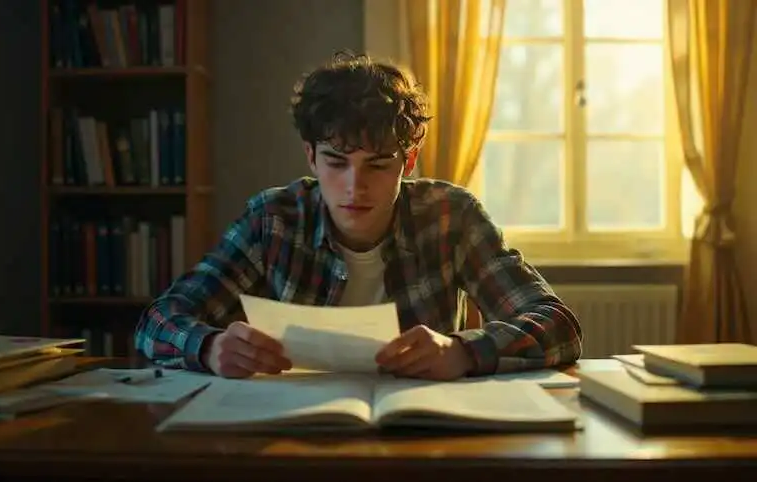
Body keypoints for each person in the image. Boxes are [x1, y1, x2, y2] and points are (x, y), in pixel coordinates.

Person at [133, 52, 582, 381]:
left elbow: (558, 324)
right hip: (292, 432)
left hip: (421, 433)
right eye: (336, 162)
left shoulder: (451, 215)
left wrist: (463, 350)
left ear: (408, 163)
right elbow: (159, 320)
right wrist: (210, 346)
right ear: (310, 156)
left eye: (378, 164)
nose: (354, 185)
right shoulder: (272, 218)